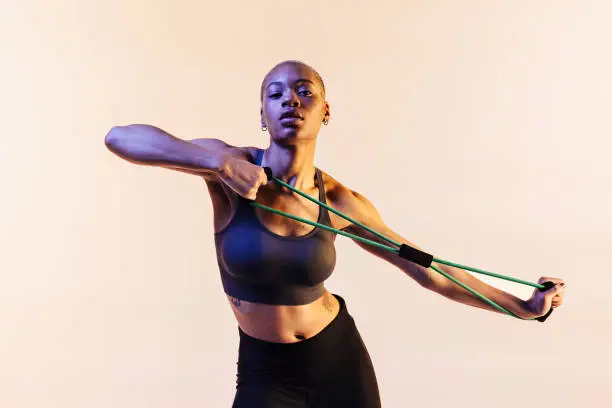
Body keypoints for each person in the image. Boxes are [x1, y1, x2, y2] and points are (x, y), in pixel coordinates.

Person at [104, 60, 567, 407]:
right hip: (267, 371)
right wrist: (220, 163)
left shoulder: (341, 202)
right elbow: (120, 137)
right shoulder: (227, 167)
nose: (291, 100)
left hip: (337, 359)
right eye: (276, 93)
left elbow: (429, 269)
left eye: (305, 92)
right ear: (262, 115)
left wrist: (524, 308)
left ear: (325, 111)